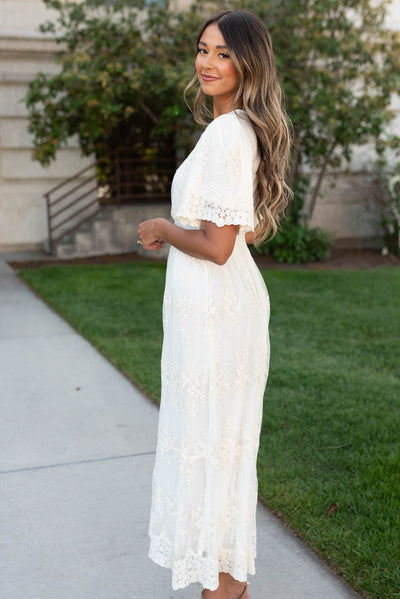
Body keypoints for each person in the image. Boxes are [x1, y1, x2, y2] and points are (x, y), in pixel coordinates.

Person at [138, 9, 292, 599]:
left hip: (216, 314)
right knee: (215, 451)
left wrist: (161, 226)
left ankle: (222, 590)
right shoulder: (234, 129)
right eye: (203, 49)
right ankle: (226, 587)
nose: (206, 62)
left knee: (212, 452)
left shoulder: (230, 133)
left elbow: (219, 246)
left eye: (223, 53)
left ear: (248, 62)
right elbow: (242, 231)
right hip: (214, 311)